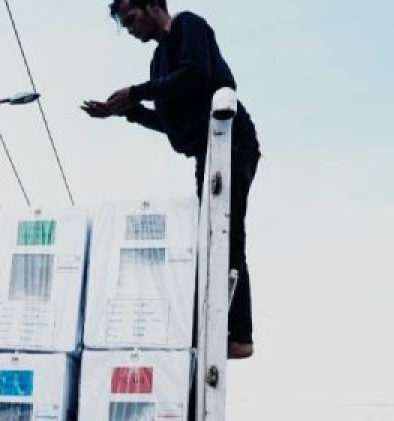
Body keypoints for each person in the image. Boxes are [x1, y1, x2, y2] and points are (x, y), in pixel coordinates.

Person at [83, 0, 261, 360]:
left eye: (131, 20)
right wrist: (128, 112)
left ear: (151, 6)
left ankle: (240, 335)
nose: (131, 30)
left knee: (227, 231)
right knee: (208, 236)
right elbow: (169, 123)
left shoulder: (188, 27)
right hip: (204, 152)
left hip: (231, 142)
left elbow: (195, 75)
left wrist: (136, 92)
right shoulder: (157, 62)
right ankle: (221, 324)